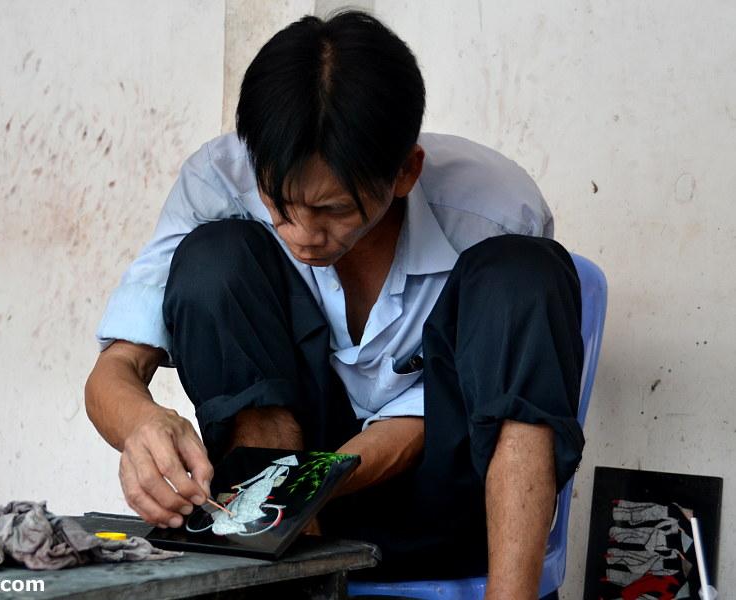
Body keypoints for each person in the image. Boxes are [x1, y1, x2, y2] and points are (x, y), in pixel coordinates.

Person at [85, 9, 584, 598]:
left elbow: (470, 403)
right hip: (282, 510)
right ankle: (279, 571)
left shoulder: (494, 211)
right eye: (280, 202)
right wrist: (145, 424)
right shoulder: (220, 183)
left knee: (524, 270)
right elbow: (114, 372)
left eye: (334, 210)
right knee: (216, 256)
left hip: (449, 508)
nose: (300, 233)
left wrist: (318, 481)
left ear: (405, 173)